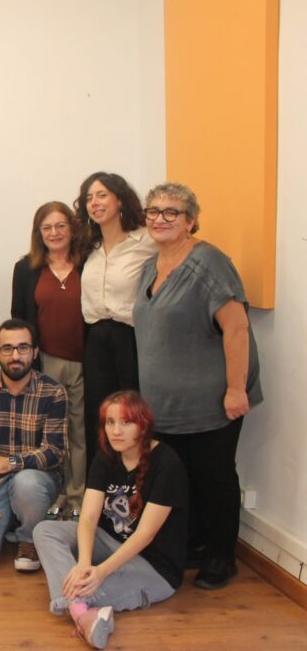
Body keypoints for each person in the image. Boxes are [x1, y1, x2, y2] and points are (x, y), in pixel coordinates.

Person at [134, 182, 263, 589]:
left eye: (171, 212)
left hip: (211, 400)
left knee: (215, 478)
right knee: (180, 478)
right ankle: (195, 545)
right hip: (166, 405)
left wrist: (236, 389)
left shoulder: (209, 263)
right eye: (153, 211)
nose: (160, 219)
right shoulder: (148, 267)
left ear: (190, 220)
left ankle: (222, 557)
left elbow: (237, 327)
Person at [33, 391, 188, 651]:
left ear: (143, 425)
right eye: (110, 422)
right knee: (44, 530)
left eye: (126, 423)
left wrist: (101, 572)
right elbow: (89, 517)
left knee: (84, 591)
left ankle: (79, 608)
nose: (116, 431)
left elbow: (145, 535)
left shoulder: (167, 463)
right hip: (108, 543)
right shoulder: (107, 454)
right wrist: (84, 563)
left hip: (153, 566)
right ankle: (84, 614)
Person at [0, 319, 66, 571]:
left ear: (35, 352)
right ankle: (10, 520)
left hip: (36, 480)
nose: (15, 355)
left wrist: (10, 463)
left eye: (23, 348)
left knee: (25, 482)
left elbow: (54, 453)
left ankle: (29, 538)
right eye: (7, 348)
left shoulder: (53, 392)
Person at [75, 173, 156, 473]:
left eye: (102, 195)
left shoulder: (146, 239)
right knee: (101, 416)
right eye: (89, 198)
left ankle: (139, 486)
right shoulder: (89, 247)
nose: (94, 203)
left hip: (130, 338)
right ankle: (104, 491)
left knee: (134, 415)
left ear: (120, 198)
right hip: (96, 339)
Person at [12, 202, 87, 518]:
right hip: (47, 362)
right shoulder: (26, 268)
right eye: (47, 227)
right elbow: (20, 318)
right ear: (38, 233)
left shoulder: (89, 264)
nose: (54, 233)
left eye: (60, 225)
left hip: (86, 362)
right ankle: (54, 496)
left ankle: (78, 497)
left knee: (80, 433)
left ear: (72, 229)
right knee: (50, 433)